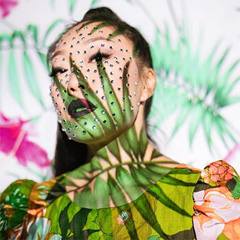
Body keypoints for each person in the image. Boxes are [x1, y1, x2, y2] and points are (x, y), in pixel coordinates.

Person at [0, 7, 240, 240]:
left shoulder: (208, 199)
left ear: (146, 83)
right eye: (60, 70)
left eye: (99, 56)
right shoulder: (26, 212)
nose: (72, 82)